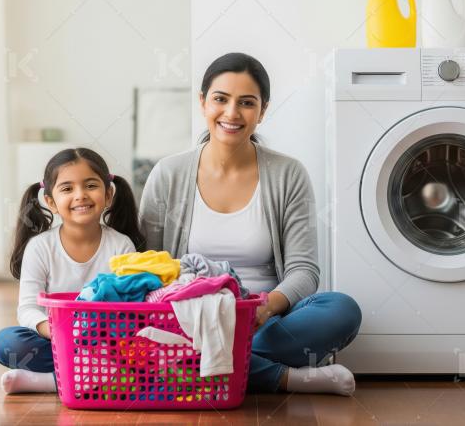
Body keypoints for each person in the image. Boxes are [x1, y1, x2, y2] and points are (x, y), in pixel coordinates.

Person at [139, 52, 362, 395]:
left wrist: (265, 306)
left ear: (263, 110)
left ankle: (197, 366)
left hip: (265, 322)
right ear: (202, 103)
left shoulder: (288, 174)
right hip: (189, 321)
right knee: (142, 332)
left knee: (341, 310)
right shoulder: (168, 174)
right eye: (220, 99)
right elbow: (146, 268)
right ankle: (281, 377)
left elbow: (304, 270)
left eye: (246, 102)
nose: (231, 113)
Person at [0, 148, 144, 394]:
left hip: (106, 342)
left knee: (142, 347)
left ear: (108, 195)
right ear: (51, 202)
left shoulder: (121, 245)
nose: (80, 195)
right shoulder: (40, 247)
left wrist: (99, 336)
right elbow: (28, 308)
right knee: (7, 342)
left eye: (91, 186)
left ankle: (51, 381)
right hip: (57, 340)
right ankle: (95, 376)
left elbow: (129, 306)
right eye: (67, 189)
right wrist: (55, 331)